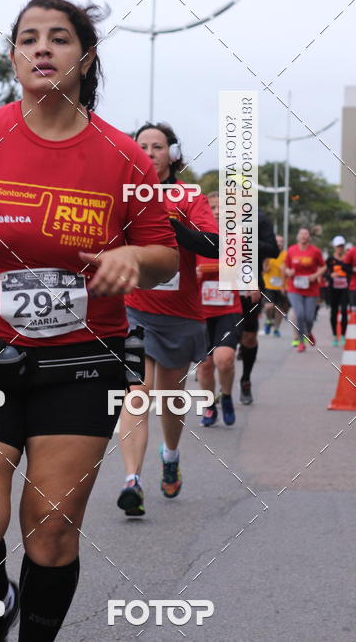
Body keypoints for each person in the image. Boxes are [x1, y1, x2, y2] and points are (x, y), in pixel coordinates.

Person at [0, 0, 179, 641]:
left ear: (85, 58)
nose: (42, 49)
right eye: (28, 39)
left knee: (52, 530)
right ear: (13, 57)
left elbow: (164, 255)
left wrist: (129, 258)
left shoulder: (123, 155)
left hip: (83, 359)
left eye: (59, 39)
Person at [117, 122, 218, 517]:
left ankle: (170, 454)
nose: (149, 152)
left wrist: (171, 226)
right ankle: (132, 482)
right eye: (141, 146)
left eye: (157, 146)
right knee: (136, 394)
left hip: (179, 314)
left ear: (172, 154)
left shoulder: (189, 196)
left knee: (170, 399)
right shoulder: (123, 195)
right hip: (134, 311)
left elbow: (212, 244)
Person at [196, 192, 242, 427]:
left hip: (227, 309)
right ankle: (209, 405)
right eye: (212, 207)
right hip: (199, 312)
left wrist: (206, 270)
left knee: (224, 360)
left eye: (221, 208)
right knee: (205, 366)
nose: (216, 212)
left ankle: (226, 396)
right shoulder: (194, 236)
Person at [237, 211, 279, 404]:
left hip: (250, 285)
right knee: (220, 343)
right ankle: (222, 381)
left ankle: (245, 379)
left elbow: (273, 250)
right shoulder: (215, 215)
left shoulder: (259, 219)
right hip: (218, 284)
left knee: (249, 335)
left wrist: (248, 241)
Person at [285, 227, 326, 352]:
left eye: (306, 234)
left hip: (311, 288)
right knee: (300, 314)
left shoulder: (315, 251)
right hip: (294, 288)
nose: (303, 236)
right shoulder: (291, 250)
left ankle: (308, 332)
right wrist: (289, 271)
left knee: (309, 317)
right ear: (297, 236)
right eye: (301, 233)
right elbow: (286, 267)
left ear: (309, 236)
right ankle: (301, 342)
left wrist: (315, 275)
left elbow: (323, 267)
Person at [325, 235, 351, 346]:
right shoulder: (330, 260)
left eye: (341, 246)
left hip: (345, 289)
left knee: (344, 311)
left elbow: (351, 272)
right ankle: (335, 335)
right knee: (333, 312)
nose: (340, 248)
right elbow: (325, 274)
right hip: (333, 289)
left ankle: (344, 335)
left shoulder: (347, 259)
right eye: (338, 246)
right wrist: (331, 275)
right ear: (334, 247)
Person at [262, 235, 288, 337]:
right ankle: (268, 320)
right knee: (268, 306)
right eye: (277, 241)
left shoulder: (286, 255)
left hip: (282, 286)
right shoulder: (268, 254)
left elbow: (288, 269)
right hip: (269, 285)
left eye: (281, 241)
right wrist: (265, 264)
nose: (279, 243)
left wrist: (284, 270)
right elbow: (264, 270)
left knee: (280, 310)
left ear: (283, 243)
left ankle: (276, 329)